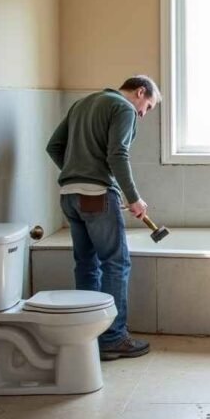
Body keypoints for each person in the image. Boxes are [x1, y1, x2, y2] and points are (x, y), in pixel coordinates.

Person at [46, 75, 160, 361]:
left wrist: (78, 172)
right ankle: (113, 338)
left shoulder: (82, 104)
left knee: (86, 263)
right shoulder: (123, 108)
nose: (142, 115)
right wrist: (134, 198)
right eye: (147, 107)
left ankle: (89, 336)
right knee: (116, 262)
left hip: (69, 196)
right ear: (140, 91)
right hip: (95, 195)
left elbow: (54, 146)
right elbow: (118, 154)